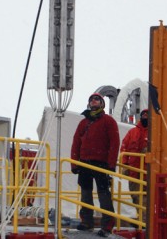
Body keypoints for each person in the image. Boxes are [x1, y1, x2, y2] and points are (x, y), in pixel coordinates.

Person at [71, 93, 120, 237]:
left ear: (102, 104)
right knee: (85, 194)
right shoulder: (83, 123)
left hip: (101, 164)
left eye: (97, 99)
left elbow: (114, 143)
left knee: (103, 195)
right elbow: (76, 143)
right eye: (91, 99)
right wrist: (74, 164)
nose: (94, 101)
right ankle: (86, 222)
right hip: (85, 163)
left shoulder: (108, 121)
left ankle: (107, 225)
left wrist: (111, 164)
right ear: (88, 104)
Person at [120, 109, 148, 225]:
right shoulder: (132, 132)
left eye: (148, 115)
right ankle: (142, 218)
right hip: (134, 172)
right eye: (144, 115)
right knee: (135, 196)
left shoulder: (155, 132)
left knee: (147, 197)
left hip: (148, 173)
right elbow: (124, 148)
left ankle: (145, 221)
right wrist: (124, 165)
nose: (145, 116)